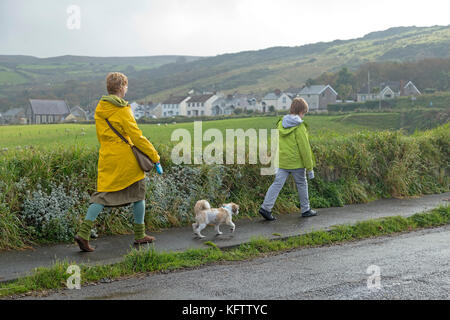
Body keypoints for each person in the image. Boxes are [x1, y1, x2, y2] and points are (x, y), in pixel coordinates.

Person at [74, 72, 162, 252]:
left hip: (107, 156)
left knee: (101, 195)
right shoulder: (122, 109)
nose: (126, 89)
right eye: (126, 86)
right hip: (126, 159)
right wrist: (155, 157)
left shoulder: (101, 107)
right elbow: (137, 136)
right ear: (122, 87)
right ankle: (139, 235)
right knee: (139, 194)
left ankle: (83, 234)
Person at [259, 98, 317, 221]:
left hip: (282, 161)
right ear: (301, 111)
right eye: (304, 113)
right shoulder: (299, 126)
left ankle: (265, 208)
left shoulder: (281, 124)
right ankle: (306, 209)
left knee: (276, 184)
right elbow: (305, 149)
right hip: (297, 163)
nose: (303, 116)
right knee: (302, 184)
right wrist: (310, 167)